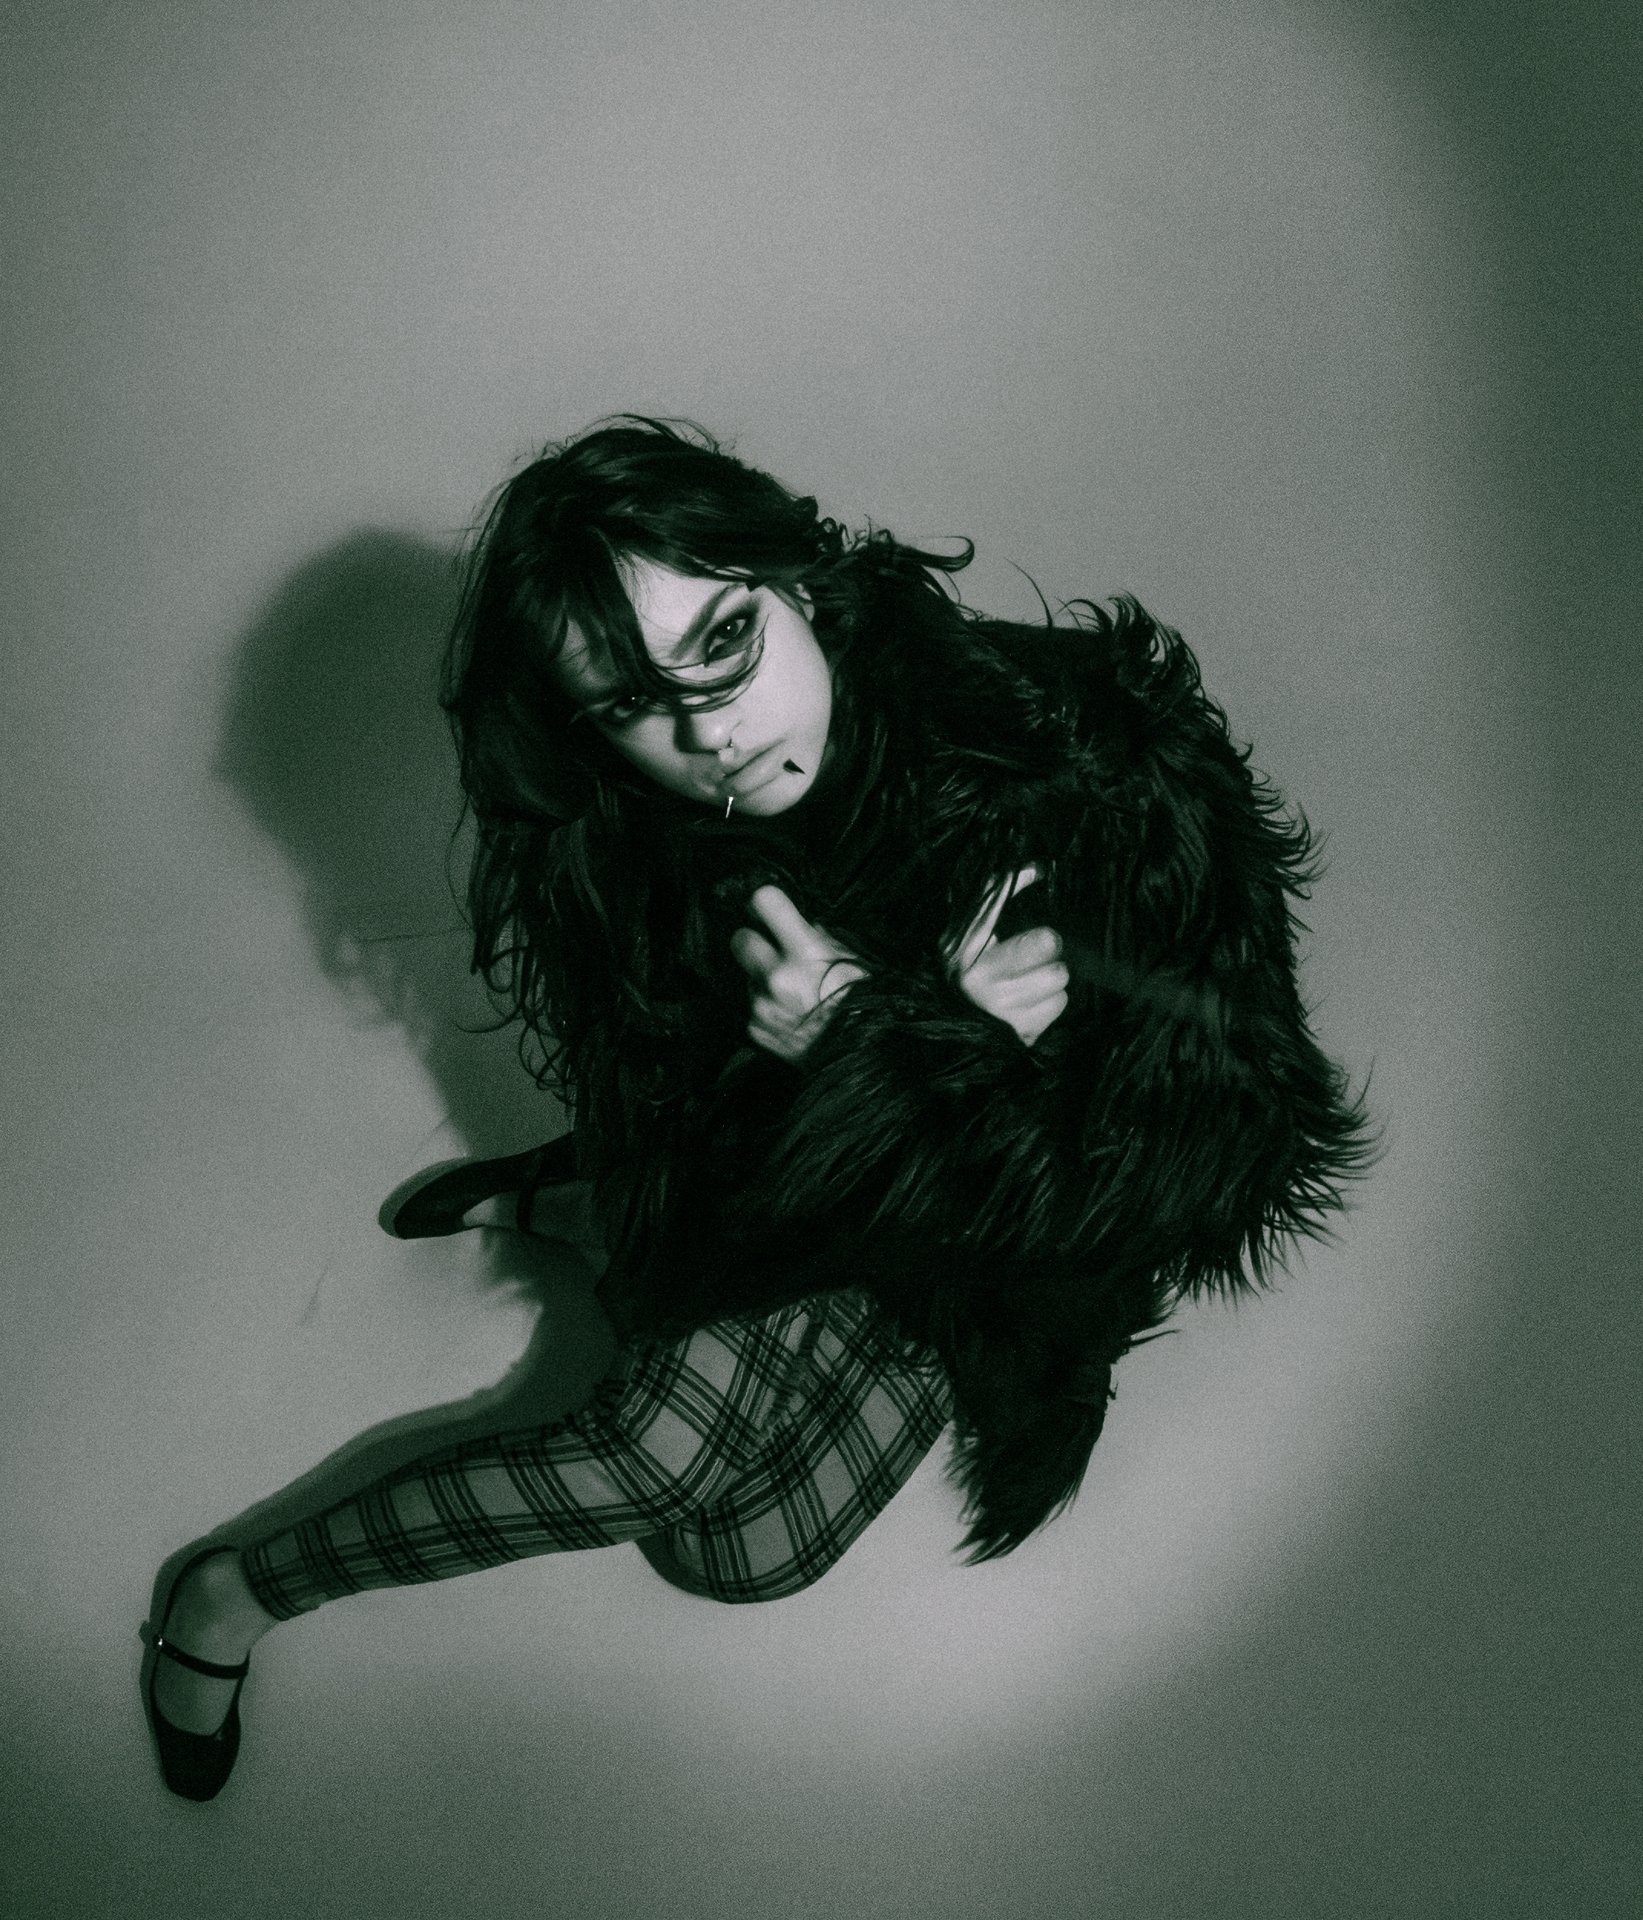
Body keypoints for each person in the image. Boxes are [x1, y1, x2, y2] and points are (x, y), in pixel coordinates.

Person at [141, 417, 1374, 1800]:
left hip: (993, 1247)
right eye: (631, 704)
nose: (709, 732)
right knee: (653, 1455)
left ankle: (572, 1205)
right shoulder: (629, 846)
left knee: (742, 1553)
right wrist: (827, 1061)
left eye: (725, 641)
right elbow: (700, 1150)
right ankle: (233, 1593)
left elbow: (1201, 1159)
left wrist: (899, 1047)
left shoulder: (1084, 778)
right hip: (791, 1203)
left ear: (795, 578)